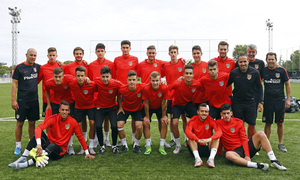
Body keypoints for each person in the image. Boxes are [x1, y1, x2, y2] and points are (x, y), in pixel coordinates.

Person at [8, 101, 95, 170]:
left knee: (53, 145)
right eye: (62, 110)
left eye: (66, 110)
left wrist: (87, 152)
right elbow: (39, 128)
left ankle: (27, 164)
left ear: (69, 111)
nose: (64, 112)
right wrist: (38, 144)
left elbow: (80, 136)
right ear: (59, 110)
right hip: (49, 144)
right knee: (40, 134)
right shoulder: (53, 118)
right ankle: (24, 157)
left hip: (60, 150)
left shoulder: (73, 122)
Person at [217, 103, 287, 171]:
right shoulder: (218, 123)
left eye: (228, 113)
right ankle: (257, 165)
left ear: (231, 113)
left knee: (261, 133)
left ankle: (273, 160)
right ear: (221, 114)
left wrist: (247, 155)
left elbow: (244, 139)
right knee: (228, 155)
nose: (226, 115)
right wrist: (218, 151)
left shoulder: (239, 122)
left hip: (245, 148)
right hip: (234, 152)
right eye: (224, 113)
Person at [11, 48, 40, 155]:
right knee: (20, 123)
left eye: (35, 55)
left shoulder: (37, 67)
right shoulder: (19, 67)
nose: (33, 57)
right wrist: (14, 100)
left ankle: (31, 145)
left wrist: (58, 63)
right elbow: (14, 83)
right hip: (22, 101)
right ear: (26, 55)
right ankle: (18, 146)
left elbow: (49, 68)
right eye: (31, 55)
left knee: (32, 123)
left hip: (34, 101)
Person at [227, 54, 263, 138]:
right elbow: (226, 84)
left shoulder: (255, 72)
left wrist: (260, 102)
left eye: (245, 61)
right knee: (238, 124)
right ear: (238, 62)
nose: (243, 63)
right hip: (237, 102)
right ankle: (239, 143)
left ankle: (251, 145)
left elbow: (260, 88)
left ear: (248, 62)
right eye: (241, 62)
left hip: (250, 102)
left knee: (252, 125)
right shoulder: (233, 73)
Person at [261, 52, 291, 152]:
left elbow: (287, 84)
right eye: (269, 59)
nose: (271, 61)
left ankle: (280, 144)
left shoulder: (282, 70)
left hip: (280, 100)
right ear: (266, 60)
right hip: (268, 101)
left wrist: (288, 99)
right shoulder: (263, 70)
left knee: (280, 123)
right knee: (268, 123)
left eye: (272, 59)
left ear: (276, 60)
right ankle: (267, 143)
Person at [168, 64, 201, 154]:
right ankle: (178, 145)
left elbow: (203, 90)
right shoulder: (178, 83)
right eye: (187, 73)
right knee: (174, 123)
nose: (188, 75)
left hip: (188, 103)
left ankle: (192, 140)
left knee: (196, 121)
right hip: (177, 104)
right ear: (184, 74)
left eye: (190, 73)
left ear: (193, 74)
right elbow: (167, 88)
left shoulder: (196, 83)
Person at [88, 43, 115, 148]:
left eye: (102, 51)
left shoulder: (110, 64)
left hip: (107, 96)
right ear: (95, 52)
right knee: (96, 121)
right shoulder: (91, 65)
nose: (100, 53)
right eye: (98, 51)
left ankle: (107, 139)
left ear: (105, 52)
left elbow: (113, 79)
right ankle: (95, 139)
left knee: (107, 119)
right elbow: (90, 81)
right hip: (95, 97)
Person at [63, 47, 90, 151]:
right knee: (71, 121)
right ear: (74, 54)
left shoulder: (87, 65)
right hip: (71, 99)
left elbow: (89, 80)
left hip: (83, 98)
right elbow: (64, 78)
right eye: (76, 53)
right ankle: (70, 145)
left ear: (83, 54)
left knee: (84, 120)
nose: (78, 55)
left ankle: (85, 140)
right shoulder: (68, 66)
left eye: (80, 53)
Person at [161, 45, 186, 147]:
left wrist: (182, 60)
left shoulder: (182, 63)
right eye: (171, 52)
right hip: (170, 95)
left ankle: (187, 138)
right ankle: (172, 139)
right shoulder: (166, 66)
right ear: (169, 53)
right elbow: (160, 75)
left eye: (175, 52)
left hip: (181, 94)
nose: (173, 54)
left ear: (178, 53)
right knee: (172, 118)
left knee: (184, 117)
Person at [114, 40, 139, 144]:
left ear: (130, 48)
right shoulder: (116, 60)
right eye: (123, 47)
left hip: (132, 91)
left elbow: (137, 73)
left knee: (134, 117)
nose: (125, 49)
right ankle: (121, 140)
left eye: (127, 47)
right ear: (121, 48)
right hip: (121, 92)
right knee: (120, 114)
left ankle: (134, 138)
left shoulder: (135, 59)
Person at [94, 66, 123, 155]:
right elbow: (88, 84)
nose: (105, 79)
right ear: (100, 76)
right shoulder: (96, 81)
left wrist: (120, 107)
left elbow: (124, 90)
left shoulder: (116, 83)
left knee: (114, 126)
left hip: (112, 108)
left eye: (107, 76)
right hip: (100, 108)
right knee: (98, 126)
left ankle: (114, 146)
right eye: (103, 77)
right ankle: (102, 146)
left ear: (110, 76)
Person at [68, 66, 97, 155]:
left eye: (82, 76)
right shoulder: (72, 84)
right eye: (78, 76)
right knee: (78, 126)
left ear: (85, 76)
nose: (80, 78)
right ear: (75, 76)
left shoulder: (91, 84)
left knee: (92, 123)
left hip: (90, 106)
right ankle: (83, 146)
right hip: (79, 107)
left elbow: (99, 89)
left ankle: (91, 146)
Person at [185, 103, 222, 168]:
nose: (204, 113)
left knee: (216, 138)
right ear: (198, 112)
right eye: (202, 111)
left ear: (208, 112)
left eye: (206, 111)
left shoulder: (210, 120)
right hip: (196, 146)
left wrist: (209, 139)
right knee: (190, 138)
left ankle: (211, 159)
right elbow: (187, 132)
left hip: (207, 146)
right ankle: (197, 159)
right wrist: (198, 140)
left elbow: (219, 132)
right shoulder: (193, 120)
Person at [117, 70, 145, 154]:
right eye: (130, 80)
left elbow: (151, 86)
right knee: (119, 125)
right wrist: (120, 107)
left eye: (133, 79)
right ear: (127, 80)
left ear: (137, 80)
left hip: (138, 109)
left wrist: (161, 81)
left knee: (139, 126)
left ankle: (136, 145)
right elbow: (118, 95)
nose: (131, 82)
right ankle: (124, 145)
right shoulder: (123, 89)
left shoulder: (141, 87)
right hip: (125, 109)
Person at [142, 71, 168, 155]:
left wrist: (164, 116)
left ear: (160, 80)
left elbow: (164, 103)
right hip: (149, 107)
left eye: (157, 80)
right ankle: (148, 146)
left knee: (164, 122)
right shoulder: (146, 88)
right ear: (150, 80)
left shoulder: (164, 88)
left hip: (159, 107)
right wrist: (146, 116)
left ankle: (162, 146)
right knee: (146, 123)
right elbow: (146, 103)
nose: (155, 83)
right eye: (153, 81)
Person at [38, 47, 62, 117]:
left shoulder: (61, 67)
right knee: (48, 121)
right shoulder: (43, 68)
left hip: (58, 99)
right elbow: (36, 81)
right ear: (47, 56)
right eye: (50, 55)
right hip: (47, 100)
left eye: (54, 55)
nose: (52, 57)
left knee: (59, 120)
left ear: (56, 56)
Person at [190, 45, 208, 109]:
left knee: (204, 117)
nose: (196, 55)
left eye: (198, 53)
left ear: (201, 54)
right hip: (193, 97)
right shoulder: (190, 66)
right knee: (193, 118)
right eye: (194, 53)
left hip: (204, 98)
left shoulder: (206, 65)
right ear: (192, 54)